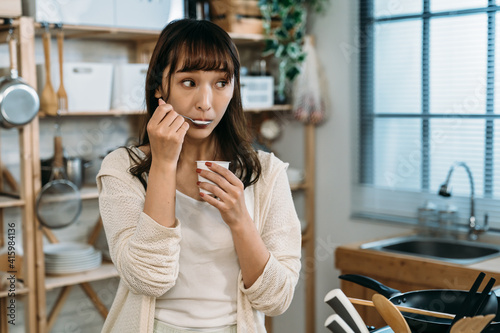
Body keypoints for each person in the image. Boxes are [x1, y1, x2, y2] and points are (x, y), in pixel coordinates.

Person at [97, 19, 302, 333]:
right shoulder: (122, 168)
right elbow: (148, 279)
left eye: (221, 82)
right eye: (189, 82)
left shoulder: (266, 172)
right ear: (159, 86)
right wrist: (164, 164)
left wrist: (239, 220)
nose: (206, 103)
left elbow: (277, 299)